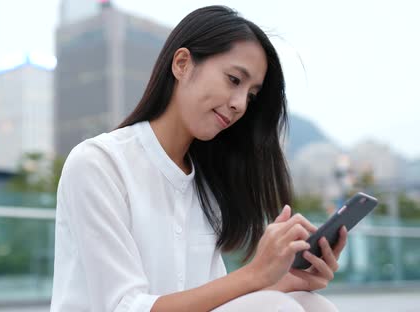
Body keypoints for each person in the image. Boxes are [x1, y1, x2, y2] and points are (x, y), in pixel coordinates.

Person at [51, 5, 345, 312]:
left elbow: (208, 301)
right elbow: (125, 307)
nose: (240, 105)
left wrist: (288, 279)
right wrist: (256, 274)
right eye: (234, 80)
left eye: (251, 95)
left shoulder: (206, 187)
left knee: (313, 305)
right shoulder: (99, 164)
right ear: (182, 64)